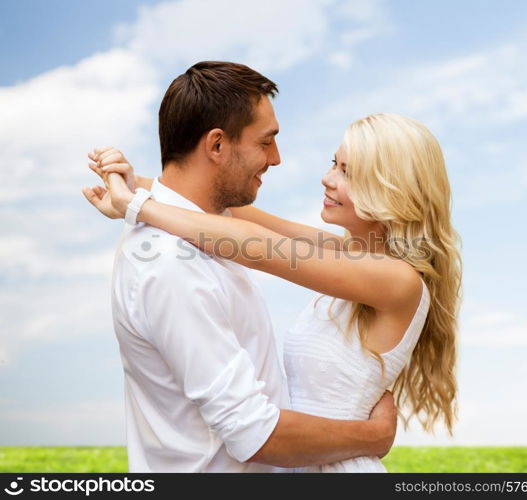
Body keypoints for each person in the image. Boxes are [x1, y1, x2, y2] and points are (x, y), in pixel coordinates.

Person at [84, 108, 462, 472]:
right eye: (335, 163)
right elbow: (242, 216)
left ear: (391, 188)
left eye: (348, 172)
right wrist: (132, 182)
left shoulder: (397, 280)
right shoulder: (348, 256)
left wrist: (137, 206)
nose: (329, 178)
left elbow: (254, 245)